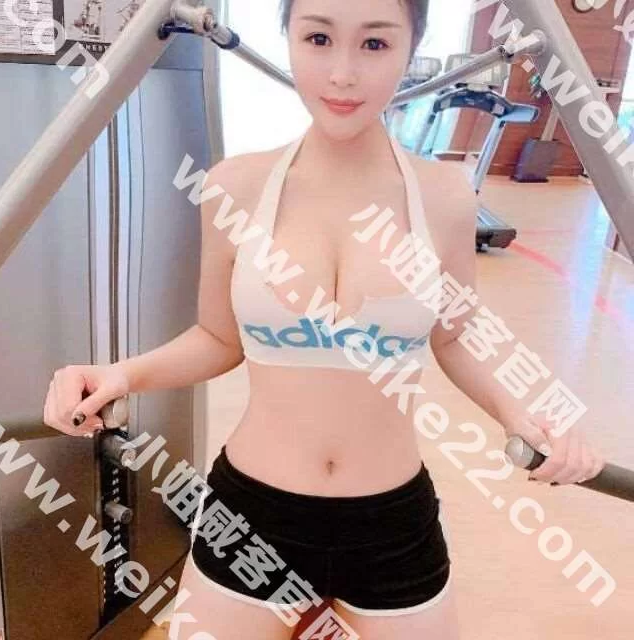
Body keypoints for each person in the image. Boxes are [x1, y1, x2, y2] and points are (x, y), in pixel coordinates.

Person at [42, 0, 607, 637]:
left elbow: (454, 336)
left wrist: (527, 414)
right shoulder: (235, 186)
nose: (342, 73)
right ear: (288, 38)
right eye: (318, 38)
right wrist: (121, 375)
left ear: (411, 47)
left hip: (391, 524)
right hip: (251, 513)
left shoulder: (445, 195)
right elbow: (218, 338)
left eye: (374, 44)